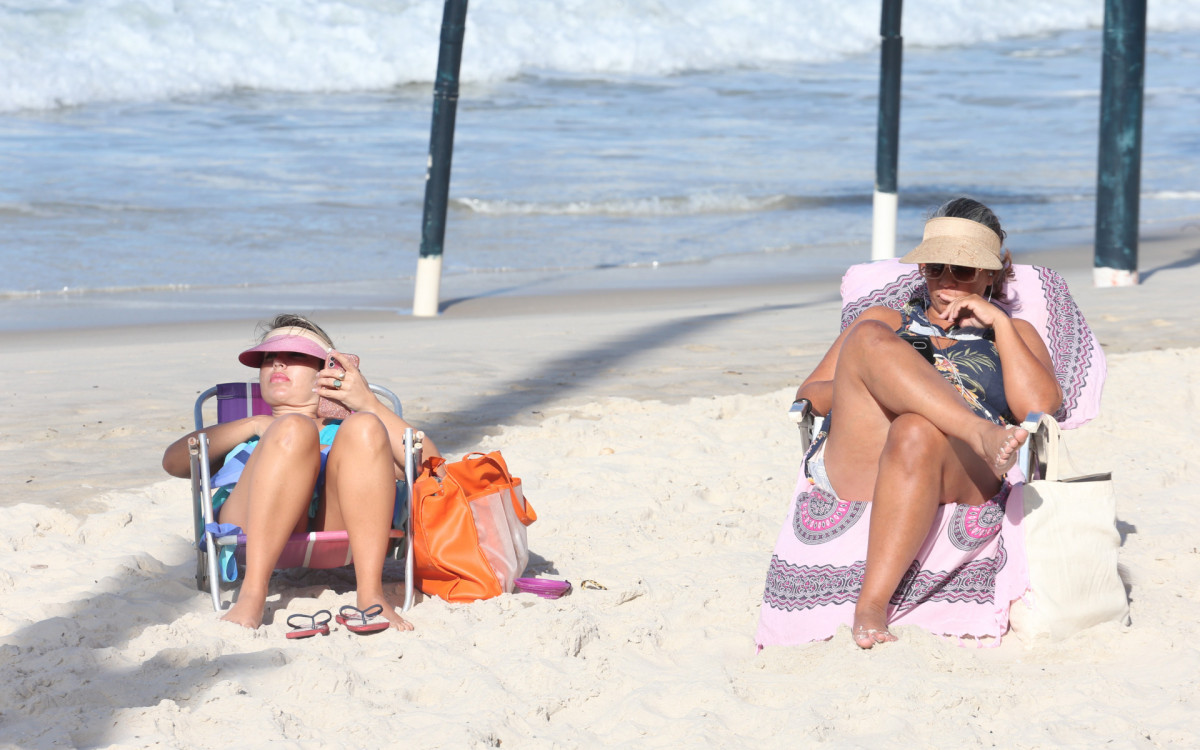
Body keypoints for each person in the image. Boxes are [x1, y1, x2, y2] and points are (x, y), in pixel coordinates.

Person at [794, 197, 1062, 648]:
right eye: (935, 268)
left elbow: (1040, 408)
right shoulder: (881, 324)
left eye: (963, 270)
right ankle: (972, 427)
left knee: (916, 428)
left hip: (961, 468)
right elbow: (810, 396)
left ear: (992, 273)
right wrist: (886, 383)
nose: (946, 282)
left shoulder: (1015, 334)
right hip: (865, 455)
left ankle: (871, 605)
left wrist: (999, 323)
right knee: (873, 349)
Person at [162, 314, 440, 631]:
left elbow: (433, 466)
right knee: (293, 429)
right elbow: (174, 462)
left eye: (295, 356)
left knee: (363, 426)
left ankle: (370, 593)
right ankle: (252, 595)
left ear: (326, 373)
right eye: (268, 358)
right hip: (251, 523)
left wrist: (369, 405)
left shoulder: (351, 434)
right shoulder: (246, 433)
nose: (278, 364)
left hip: (333, 521)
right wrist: (254, 426)